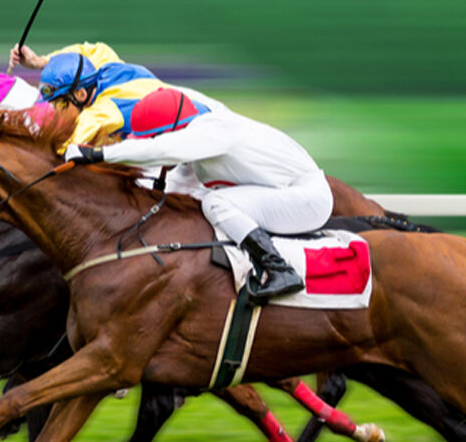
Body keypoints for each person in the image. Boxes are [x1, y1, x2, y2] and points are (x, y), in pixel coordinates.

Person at [65, 87, 335, 302]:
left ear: (172, 132)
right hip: (290, 193)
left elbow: (159, 151)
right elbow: (170, 186)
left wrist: (97, 155)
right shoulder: (200, 148)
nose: (151, 145)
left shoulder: (210, 131)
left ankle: (279, 269)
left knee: (216, 202)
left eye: (153, 138)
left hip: (307, 200)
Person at [9, 41, 168, 150]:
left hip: (181, 150)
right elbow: (84, 51)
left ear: (80, 94)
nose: (56, 113)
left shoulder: (103, 112)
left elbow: (66, 148)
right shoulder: (101, 61)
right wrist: (41, 61)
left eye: (59, 105)